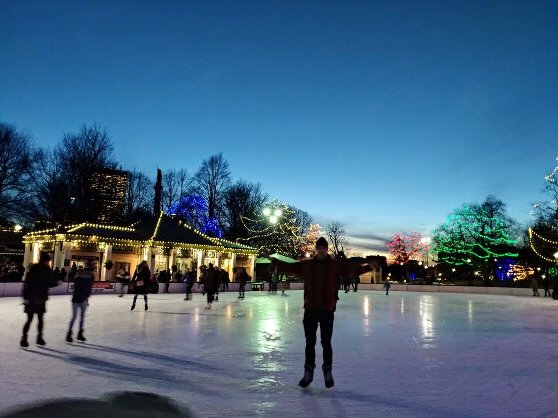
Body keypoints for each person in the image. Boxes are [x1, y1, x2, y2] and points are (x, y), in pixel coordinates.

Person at [273, 237, 369, 389]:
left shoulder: (335, 265)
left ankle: (327, 371)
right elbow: (290, 267)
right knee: (310, 342)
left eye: (324, 248)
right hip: (311, 308)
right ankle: (308, 371)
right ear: (316, 249)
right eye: (320, 248)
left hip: (327, 309)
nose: (322, 250)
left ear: (327, 249)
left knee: (326, 342)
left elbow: (352, 270)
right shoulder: (307, 265)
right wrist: (274, 261)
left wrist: (369, 267)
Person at [20, 252, 59, 347]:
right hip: (40, 297)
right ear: (45, 261)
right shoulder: (46, 269)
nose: (49, 262)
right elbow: (50, 283)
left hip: (31, 297)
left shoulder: (33, 268)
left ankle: (24, 338)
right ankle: (39, 338)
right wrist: (57, 282)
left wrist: (25, 297)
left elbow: (26, 283)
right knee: (40, 318)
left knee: (29, 319)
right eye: (48, 261)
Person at [66, 263, 94, 342]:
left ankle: (69, 334)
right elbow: (88, 290)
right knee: (81, 317)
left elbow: (74, 282)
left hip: (76, 299)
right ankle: (79, 334)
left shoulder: (78, 277)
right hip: (82, 299)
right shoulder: (89, 279)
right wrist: (87, 298)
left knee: (74, 317)